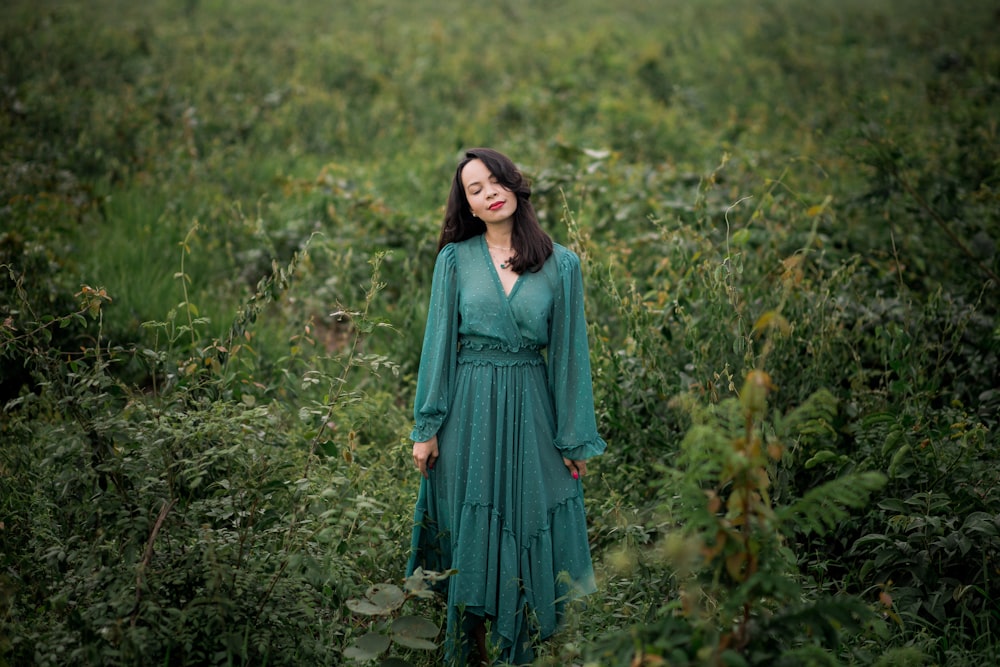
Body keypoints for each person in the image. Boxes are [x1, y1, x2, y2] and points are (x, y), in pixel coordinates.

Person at [406, 148, 607, 665]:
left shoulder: (562, 264)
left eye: (496, 181)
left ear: (516, 187)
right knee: (472, 523)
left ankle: (532, 646)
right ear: (468, 206)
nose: (490, 192)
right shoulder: (455, 260)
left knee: (533, 514)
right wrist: (425, 428)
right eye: (476, 189)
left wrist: (573, 439)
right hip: (468, 410)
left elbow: (568, 359)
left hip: (532, 408)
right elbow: (437, 348)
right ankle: (471, 650)